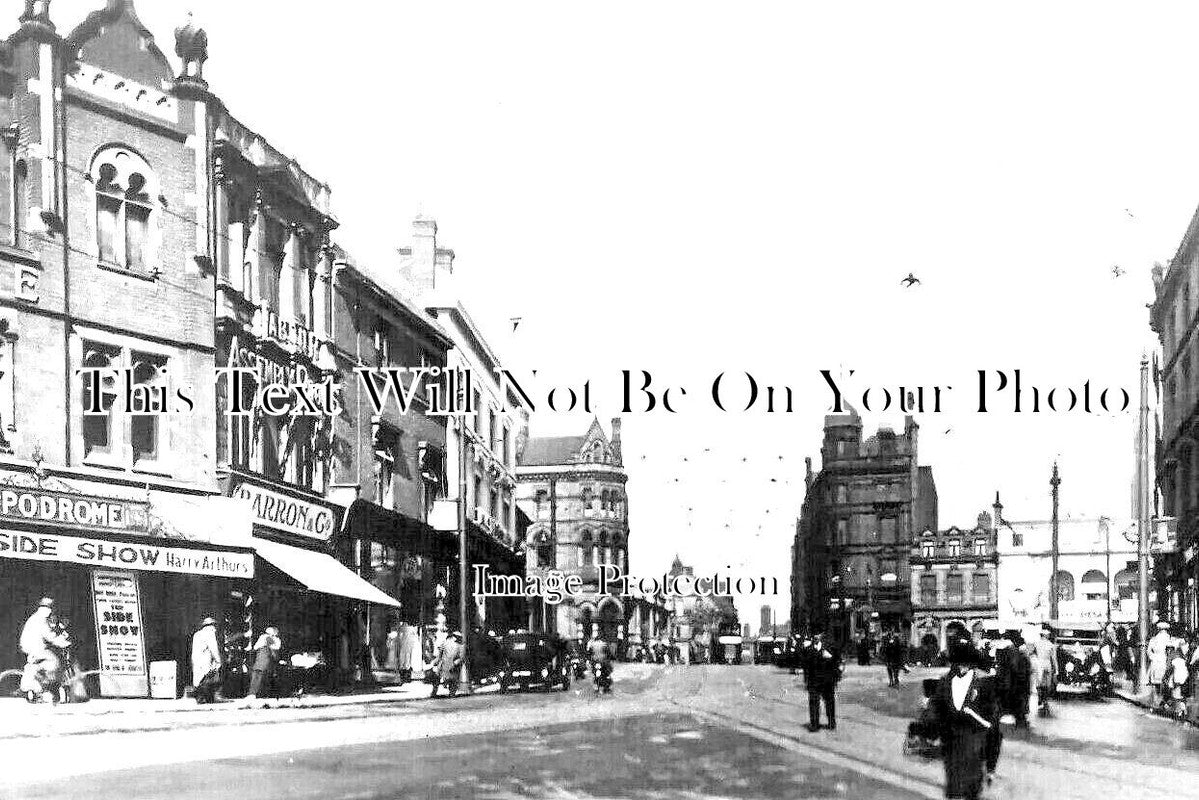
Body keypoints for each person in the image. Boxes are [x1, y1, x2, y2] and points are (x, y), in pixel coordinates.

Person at [928, 640, 998, 800]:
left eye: (966, 665)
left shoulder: (983, 683)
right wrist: (933, 729)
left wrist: (991, 763)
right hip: (951, 737)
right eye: (959, 664)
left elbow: (992, 713)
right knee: (953, 779)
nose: (962, 669)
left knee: (972, 780)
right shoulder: (945, 681)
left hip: (974, 736)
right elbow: (937, 706)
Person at [19, 597, 69, 703]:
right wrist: (62, 643)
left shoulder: (36, 618)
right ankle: (41, 686)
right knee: (54, 662)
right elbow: (49, 635)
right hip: (34, 647)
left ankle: (39, 685)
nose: (51, 611)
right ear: (44, 608)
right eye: (49, 609)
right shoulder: (40, 619)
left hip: (31, 647)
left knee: (45, 663)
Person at [804, 630, 842, 732]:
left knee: (829, 702)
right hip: (813, 681)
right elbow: (805, 666)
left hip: (827, 680)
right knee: (813, 702)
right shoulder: (808, 648)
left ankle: (831, 722)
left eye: (818, 634)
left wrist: (831, 657)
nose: (816, 636)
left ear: (822, 635)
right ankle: (814, 724)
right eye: (814, 634)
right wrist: (806, 681)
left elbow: (837, 662)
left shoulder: (830, 647)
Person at [191, 616, 223, 704]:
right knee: (209, 679)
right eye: (214, 626)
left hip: (197, 660)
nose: (215, 628)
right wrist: (218, 661)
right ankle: (209, 698)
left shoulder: (197, 634)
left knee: (199, 679)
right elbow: (214, 649)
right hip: (205, 659)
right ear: (211, 626)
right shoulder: (210, 634)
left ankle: (200, 698)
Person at [1028, 625, 1057, 717]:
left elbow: (1031, 654)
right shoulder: (1051, 645)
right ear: (1047, 636)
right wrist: (1056, 670)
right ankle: (1044, 699)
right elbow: (1054, 658)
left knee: (1039, 683)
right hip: (1047, 664)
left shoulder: (1036, 644)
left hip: (1039, 664)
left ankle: (1041, 698)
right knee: (1047, 683)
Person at [246, 626, 282, 701]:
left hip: (264, 656)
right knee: (258, 674)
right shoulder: (266, 637)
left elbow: (272, 648)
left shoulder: (268, 638)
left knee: (258, 674)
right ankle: (254, 693)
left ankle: (253, 693)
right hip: (262, 656)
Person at [431, 630, 464, 697]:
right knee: (452, 680)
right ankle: (451, 693)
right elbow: (461, 658)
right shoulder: (459, 646)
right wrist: (455, 663)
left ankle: (435, 693)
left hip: (445, 664)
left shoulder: (446, 643)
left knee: (439, 679)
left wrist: (437, 662)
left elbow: (440, 654)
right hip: (449, 665)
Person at [1148, 621, 1172, 703]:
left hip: (1156, 661)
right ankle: (1163, 699)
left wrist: (1153, 657)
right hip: (1164, 660)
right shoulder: (1169, 639)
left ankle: (1156, 699)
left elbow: (1149, 652)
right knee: (1165, 680)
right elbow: (1170, 651)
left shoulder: (1153, 639)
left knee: (1156, 682)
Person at [587, 625, 613, 693]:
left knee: (595, 673)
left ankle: (597, 685)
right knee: (607, 673)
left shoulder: (592, 645)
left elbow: (589, 653)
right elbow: (609, 653)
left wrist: (590, 660)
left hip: (595, 662)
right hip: (603, 662)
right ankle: (606, 686)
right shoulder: (604, 644)